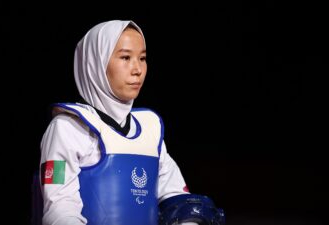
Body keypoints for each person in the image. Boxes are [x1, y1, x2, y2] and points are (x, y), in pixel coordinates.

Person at [37, 20, 225, 225]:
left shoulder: (149, 129)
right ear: (95, 63)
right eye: (125, 57)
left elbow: (177, 200)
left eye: (142, 58)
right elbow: (60, 209)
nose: (137, 69)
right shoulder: (68, 128)